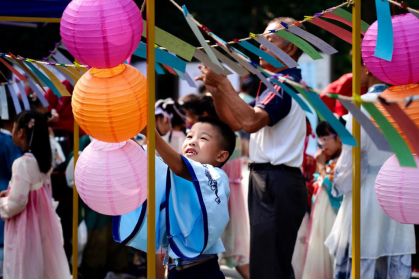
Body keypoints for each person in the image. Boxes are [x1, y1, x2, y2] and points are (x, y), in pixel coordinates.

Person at [198, 17, 308, 278]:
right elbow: (235, 120)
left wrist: (224, 84)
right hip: (271, 179)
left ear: (290, 49)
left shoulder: (284, 84)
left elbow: (250, 122)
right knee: (268, 262)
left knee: (269, 266)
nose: (260, 47)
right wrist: (216, 90)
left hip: (276, 179)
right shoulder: (278, 83)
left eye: (269, 41)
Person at [324, 66, 416, 278]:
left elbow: (349, 159)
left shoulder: (360, 105)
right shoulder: (408, 102)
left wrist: (338, 183)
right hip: (400, 193)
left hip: (367, 191)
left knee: (363, 258)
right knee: (394, 254)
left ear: (367, 70)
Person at [0, 111, 71, 278]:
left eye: (14, 127)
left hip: (25, 227)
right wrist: (10, 192)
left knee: (24, 266)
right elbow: (35, 191)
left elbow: (18, 202)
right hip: (42, 223)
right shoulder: (43, 161)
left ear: (21, 132)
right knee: (42, 265)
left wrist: (3, 203)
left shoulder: (22, 163)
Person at [301, 121, 343, 279]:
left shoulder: (343, 159)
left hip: (333, 213)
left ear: (338, 137)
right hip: (322, 214)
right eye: (321, 140)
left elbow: (336, 189)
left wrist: (320, 167)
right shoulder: (328, 159)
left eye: (326, 139)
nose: (323, 144)